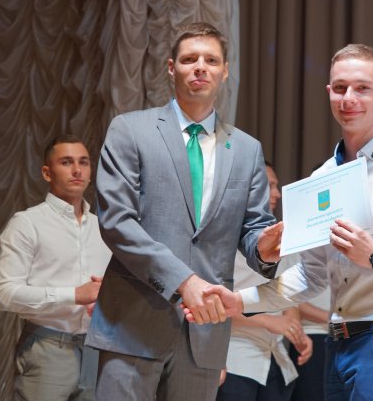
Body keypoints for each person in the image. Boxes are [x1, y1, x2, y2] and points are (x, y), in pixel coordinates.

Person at [193, 44, 373, 400]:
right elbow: (311, 275)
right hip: (338, 346)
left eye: (362, 88)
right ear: (329, 92)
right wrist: (241, 301)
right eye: (340, 88)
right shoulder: (322, 178)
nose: (349, 99)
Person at [85, 22, 283, 401]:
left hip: (205, 332)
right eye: (190, 59)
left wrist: (265, 248)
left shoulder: (247, 149)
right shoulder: (130, 130)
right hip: (132, 324)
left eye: (211, 60)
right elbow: (116, 222)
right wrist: (183, 281)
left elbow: (254, 228)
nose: (200, 67)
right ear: (171, 68)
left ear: (225, 71)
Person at [0, 135, 112, 400]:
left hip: (97, 349)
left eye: (83, 162)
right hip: (46, 348)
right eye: (66, 162)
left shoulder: (104, 228)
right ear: (47, 173)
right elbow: (5, 294)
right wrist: (74, 295)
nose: (77, 170)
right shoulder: (27, 223)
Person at [217, 162, 312, 401]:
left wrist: (295, 330)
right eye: (270, 185)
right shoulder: (222, 236)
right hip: (236, 358)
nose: (277, 193)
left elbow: (289, 292)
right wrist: (270, 321)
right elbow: (215, 301)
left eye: (277, 186)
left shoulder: (282, 236)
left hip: (277, 362)